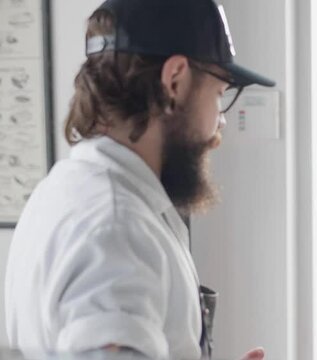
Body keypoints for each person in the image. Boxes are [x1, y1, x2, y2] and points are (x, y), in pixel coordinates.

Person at [4, 0, 274, 359]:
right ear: (175, 80)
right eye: (219, 94)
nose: (219, 126)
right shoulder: (116, 229)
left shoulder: (63, 190)